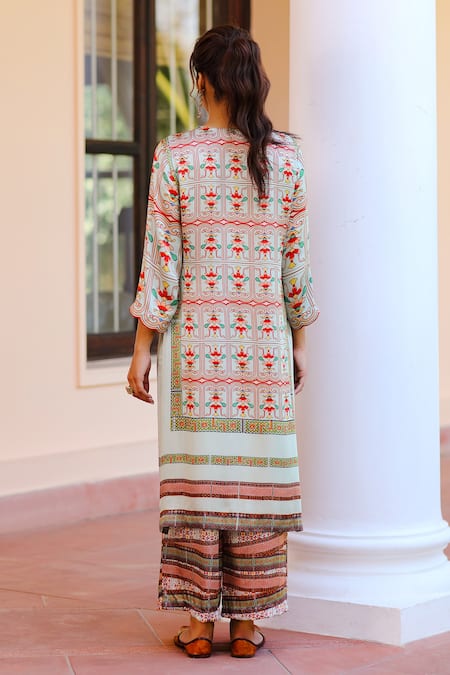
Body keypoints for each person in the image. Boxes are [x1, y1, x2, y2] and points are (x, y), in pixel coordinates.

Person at [126, 25, 319, 659]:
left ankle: (198, 626)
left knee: (199, 482)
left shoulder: (175, 157)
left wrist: (141, 348)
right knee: (254, 479)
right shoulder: (286, 159)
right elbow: (295, 266)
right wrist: (297, 342)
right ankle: (245, 627)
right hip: (262, 351)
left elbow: (162, 263)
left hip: (196, 356)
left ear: (201, 81)